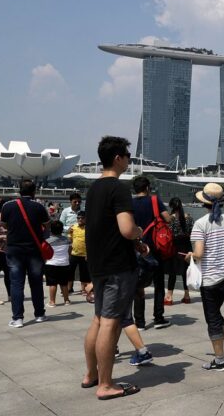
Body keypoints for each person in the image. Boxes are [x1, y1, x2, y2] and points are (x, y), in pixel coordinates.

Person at [82, 136, 143, 400]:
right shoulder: (118, 188)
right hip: (118, 266)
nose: (129, 160)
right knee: (110, 323)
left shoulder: (93, 189)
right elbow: (127, 229)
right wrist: (139, 233)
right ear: (118, 158)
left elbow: (97, 229)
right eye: (127, 156)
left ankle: (91, 374)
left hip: (98, 264)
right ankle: (105, 385)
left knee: (98, 320)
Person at [188, 183, 224, 372]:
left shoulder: (201, 223)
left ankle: (219, 360)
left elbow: (199, 253)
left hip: (209, 279)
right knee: (216, 314)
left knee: (212, 320)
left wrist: (190, 255)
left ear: (204, 202)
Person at [1, 181, 50, 328]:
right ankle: (40, 314)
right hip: (34, 250)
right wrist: (42, 236)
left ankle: (18, 318)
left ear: (19, 191)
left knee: (16, 284)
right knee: (36, 283)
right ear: (34, 192)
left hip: (14, 249)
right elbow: (47, 225)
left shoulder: (7, 206)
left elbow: (3, 224)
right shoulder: (39, 207)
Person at [131, 176, 172, 330]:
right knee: (159, 284)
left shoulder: (130, 203)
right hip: (155, 248)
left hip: (137, 248)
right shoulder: (154, 200)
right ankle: (158, 318)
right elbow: (167, 219)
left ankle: (139, 322)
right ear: (147, 188)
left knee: (138, 285)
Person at [165, 197, 193, 305]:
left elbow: (168, 234)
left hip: (174, 247)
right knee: (185, 271)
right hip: (186, 246)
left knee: (172, 272)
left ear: (171, 206)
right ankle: (187, 296)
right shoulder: (189, 218)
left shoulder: (169, 219)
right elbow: (192, 232)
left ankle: (169, 297)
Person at [43, 220, 71, 307]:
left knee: (52, 284)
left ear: (51, 230)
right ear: (62, 229)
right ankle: (67, 301)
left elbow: (44, 254)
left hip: (51, 264)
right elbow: (70, 251)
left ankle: (52, 302)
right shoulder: (67, 240)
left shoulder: (47, 241)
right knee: (64, 283)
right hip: (64, 263)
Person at [68, 211, 90, 299]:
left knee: (84, 272)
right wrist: (68, 232)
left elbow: (90, 242)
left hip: (84, 254)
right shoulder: (73, 227)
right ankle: (69, 288)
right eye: (78, 218)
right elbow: (69, 240)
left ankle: (83, 289)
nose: (80, 219)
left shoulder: (88, 228)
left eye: (82, 218)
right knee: (70, 271)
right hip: (74, 253)